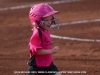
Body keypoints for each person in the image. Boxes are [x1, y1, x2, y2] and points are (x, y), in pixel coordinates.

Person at [27, 3, 61, 75]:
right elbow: (37, 51)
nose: (50, 22)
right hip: (37, 68)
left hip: (49, 65)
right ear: (37, 21)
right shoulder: (37, 34)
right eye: (47, 20)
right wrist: (51, 51)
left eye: (51, 19)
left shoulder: (46, 30)